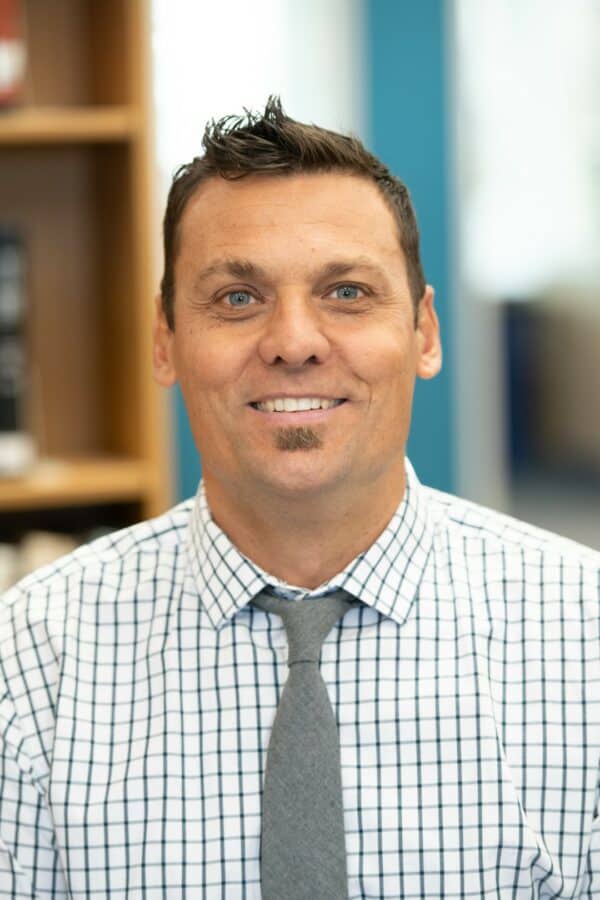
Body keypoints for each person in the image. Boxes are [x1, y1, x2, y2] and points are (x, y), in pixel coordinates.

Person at [1, 96, 599, 900]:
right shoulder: (30, 664)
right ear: (165, 340)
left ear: (424, 333)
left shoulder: (586, 641)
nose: (292, 342)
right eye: (237, 298)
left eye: (346, 292)